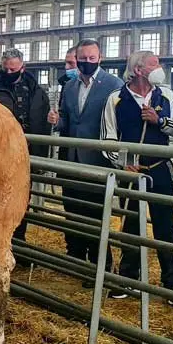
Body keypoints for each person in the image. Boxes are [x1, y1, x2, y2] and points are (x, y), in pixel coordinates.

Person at [100, 50, 173, 303]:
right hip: (132, 172)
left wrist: (159, 121)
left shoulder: (166, 95)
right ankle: (128, 279)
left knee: (166, 227)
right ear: (138, 70)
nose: (159, 67)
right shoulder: (116, 98)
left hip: (160, 169)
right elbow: (108, 138)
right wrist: (123, 163)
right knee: (130, 224)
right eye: (153, 64)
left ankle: (172, 284)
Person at [47, 39, 123, 264]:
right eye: (83, 59)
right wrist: (56, 120)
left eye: (92, 58)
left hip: (98, 160)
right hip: (71, 159)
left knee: (96, 214)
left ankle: (101, 265)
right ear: (77, 59)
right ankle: (77, 259)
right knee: (73, 209)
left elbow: (118, 123)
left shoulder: (113, 84)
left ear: (100, 58)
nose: (87, 62)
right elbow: (67, 121)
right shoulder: (70, 86)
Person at [0, 48, 50, 242]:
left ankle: (18, 240)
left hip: (27, 153)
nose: (9, 74)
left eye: (13, 70)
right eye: (6, 69)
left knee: (22, 198)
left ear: (22, 68)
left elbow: (43, 123)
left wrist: (41, 156)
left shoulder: (37, 92)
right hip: (0, 154)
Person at [55, 47, 78, 162]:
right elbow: (64, 116)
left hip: (93, 153)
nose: (66, 67)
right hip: (67, 148)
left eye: (71, 63)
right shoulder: (66, 86)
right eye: (66, 63)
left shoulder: (109, 86)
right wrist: (56, 120)